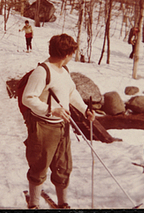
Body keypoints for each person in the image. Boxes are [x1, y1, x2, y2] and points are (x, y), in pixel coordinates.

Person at [22, 33, 95, 209]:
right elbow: (28, 98)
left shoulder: (64, 71)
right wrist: (51, 110)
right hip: (43, 127)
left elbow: (70, 93)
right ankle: (34, 204)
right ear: (66, 54)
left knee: (63, 166)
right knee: (39, 166)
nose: (71, 56)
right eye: (71, 53)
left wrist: (85, 109)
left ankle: (63, 203)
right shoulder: (42, 71)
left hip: (62, 126)